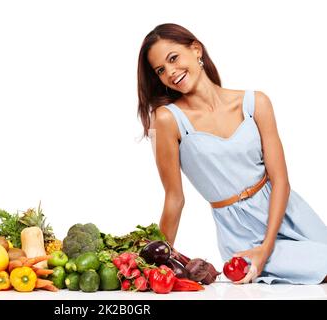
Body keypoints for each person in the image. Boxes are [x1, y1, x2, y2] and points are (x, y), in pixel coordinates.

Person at [137, 23, 327, 285]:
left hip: (288, 213)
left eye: (173, 58)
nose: (171, 72)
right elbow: (174, 198)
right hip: (241, 233)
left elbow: (280, 180)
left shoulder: (255, 102)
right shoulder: (167, 120)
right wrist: (153, 265)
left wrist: (268, 247)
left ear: (196, 50)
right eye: (160, 70)